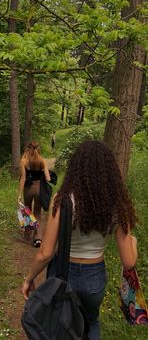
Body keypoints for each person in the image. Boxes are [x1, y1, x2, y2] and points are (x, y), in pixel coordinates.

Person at [22, 140, 138, 340]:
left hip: (63, 275)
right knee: (91, 322)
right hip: (94, 277)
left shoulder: (63, 199)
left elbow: (46, 252)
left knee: (60, 325)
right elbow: (129, 261)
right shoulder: (117, 204)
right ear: (110, 171)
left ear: (76, 168)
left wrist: (29, 279)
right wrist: (133, 243)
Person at [18, 141, 51, 248]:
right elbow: (48, 178)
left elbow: (23, 179)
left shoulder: (23, 160)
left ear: (28, 149)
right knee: (37, 212)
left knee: (27, 210)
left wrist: (19, 194)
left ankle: (27, 234)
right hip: (39, 189)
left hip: (28, 188)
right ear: (38, 148)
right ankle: (38, 238)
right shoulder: (42, 161)